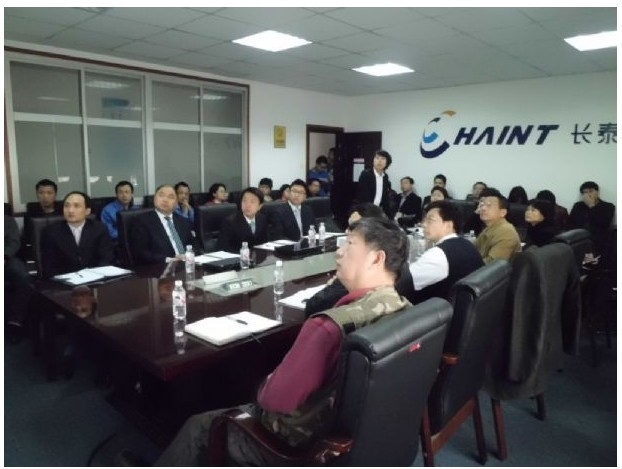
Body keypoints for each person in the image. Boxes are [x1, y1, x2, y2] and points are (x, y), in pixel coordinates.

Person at [154, 217, 411, 466]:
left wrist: (267, 381)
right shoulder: (406, 309)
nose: (339, 251)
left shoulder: (329, 326)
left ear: (376, 258)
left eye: (350, 244)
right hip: (364, 440)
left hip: (300, 448)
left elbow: (274, 400)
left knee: (199, 426)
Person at [304, 202, 386, 316]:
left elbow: (314, 307)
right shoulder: (393, 260)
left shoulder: (358, 269)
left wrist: (334, 285)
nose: (347, 231)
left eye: (353, 226)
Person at [404, 201, 484, 304]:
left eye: (430, 220)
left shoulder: (438, 254)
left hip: (433, 310)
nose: (423, 224)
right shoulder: (466, 244)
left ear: (448, 225)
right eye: (424, 220)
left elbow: (403, 282)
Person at [41, 191, 115, 278]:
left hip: (95, 278)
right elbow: (48, 266)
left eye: (76, 206)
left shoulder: (99, 229)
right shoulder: (51, 232)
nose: (70, 210)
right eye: (67, 206)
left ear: (87, 211)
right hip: (64, 281)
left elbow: (106, 258)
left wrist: (96, 276)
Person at [129, 184, 196, 265]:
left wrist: (188, 255)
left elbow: (194, 244)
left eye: (171, 197)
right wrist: (169, 260)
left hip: (186, 264)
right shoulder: (141, 221)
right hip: (160, 267)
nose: (165, 200)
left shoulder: (183, 221)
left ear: (176, 203)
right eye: (161, 195)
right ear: (154, 198)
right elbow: (140, 252)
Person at [5, 215, 34, 342]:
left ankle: (15, 322)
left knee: (24, 278)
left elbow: (14, 242)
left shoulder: (7, 220)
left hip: (6, 259)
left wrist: (4, 256)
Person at [568, 181, 615, 257]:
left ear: (597, 192)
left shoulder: (608, 206)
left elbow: (604, 223)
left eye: (590, 191)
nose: (588, 194)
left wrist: (591, 206)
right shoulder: (578, 206)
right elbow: (570, 224)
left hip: (598, 241)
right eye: (585, 192)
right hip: (578, 240)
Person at [474, 188, 521, 263]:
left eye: (489, 206)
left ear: (503, 212)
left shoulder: (506, 232)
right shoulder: (489, 228)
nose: (483, 208)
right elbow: (473, 249)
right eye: (482, 205)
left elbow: (492, 264)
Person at [217, 187, 269, 253]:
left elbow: (265, 243)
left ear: (260, 206)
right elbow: (223, 248)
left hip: (258, 257)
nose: (247, 205)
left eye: (252, 202)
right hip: (238, 257)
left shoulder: (262, 219)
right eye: (244, 201)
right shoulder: (230, 222)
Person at [356, 149, 393, 218]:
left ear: (387, 162)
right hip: (364, 211)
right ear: (373, 161)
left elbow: (385, 199)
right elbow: (363, 198)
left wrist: (391, 218)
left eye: (383, 158)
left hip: (377, 212)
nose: (379, 161)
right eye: (377, 158)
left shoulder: (385, 177)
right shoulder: (366, 174)